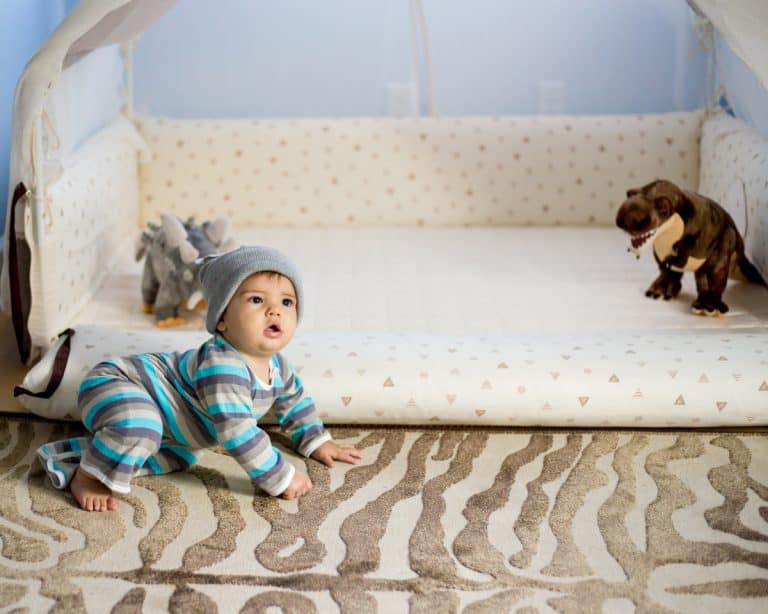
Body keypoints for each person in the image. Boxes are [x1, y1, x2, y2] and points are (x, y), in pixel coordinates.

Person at [37, 246, 362, 511]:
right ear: (221, 320)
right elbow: (237, 430)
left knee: (183, 455)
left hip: (169, 425)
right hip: (118, 383)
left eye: (286, 302)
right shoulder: (223, 366)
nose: (274, 310)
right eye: (257, 300)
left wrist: (316, 440)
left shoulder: (278, 366)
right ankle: (89, 477)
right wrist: (280, 475)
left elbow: (294, 402)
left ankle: (92, 456)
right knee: (142, 427)